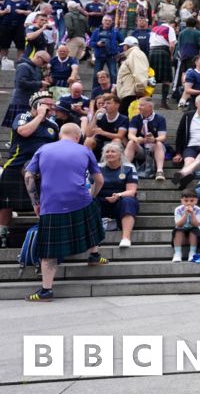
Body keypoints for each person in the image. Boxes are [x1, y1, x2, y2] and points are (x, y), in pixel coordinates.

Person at [23, 123, 107, 301]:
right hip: (80, 200)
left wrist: (35, 203)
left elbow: (28, 176)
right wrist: (91, 195)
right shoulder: (85, 150)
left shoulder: (44, 149)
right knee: (93, 215)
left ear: (60, 135)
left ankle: (46, 290)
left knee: (49, 251)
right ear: (78, 137)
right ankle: (94, 254)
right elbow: (99, 180)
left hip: (51, 204)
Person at [0, 92, 59, 247]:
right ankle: (2, 233)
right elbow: (24, 132)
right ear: (37, 105)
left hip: (43, 168)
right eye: (47, 104)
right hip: (16, 165)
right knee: (6, 203)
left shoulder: (53, 125)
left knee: (45, 201)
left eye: (52, 105)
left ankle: (46, 232)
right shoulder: (23, 116)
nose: (51, 107)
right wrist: (39, 117)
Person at [96, 142, 140, 248]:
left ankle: (125, 238)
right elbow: (91, 187)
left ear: (120, 154)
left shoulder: (129, 168)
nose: (109, 154)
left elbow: (132, 190)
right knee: (90, 202)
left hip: (120, 200)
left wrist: (118, 195)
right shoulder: (98, 167)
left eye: (113, 151)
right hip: (101, 200)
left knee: (129, 200)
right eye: (107, 151)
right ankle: (94, 238)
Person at [3, 50, 49, 129]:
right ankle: (13, 142)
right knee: (17, 127)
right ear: (38, 57)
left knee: (28, 127)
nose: (44, 65)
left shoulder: (37, 69)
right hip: (21, 101)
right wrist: (40, 83)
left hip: (30, 101)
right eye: (44, 62)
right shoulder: (23, 66)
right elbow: (20, 83)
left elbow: (37, 81)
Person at [125, 98, 168, 180]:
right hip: (141, 148)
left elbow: (163, 137)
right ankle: (124, 168)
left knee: (158, 143)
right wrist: (136, 139)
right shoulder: (135, 118)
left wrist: (154, 140)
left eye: (141, 105)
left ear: (150, 107)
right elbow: (130, 134)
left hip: (154, 148)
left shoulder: (160, 118)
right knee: (131, 142)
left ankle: (159, 171)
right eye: (139, 105)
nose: (139, 107)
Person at [84, 94, 129, 158]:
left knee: (117, 141)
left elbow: (120, 136)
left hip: (114, 143)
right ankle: (85, 162)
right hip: (100, 142)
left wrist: (103, 133)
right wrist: (95, 117)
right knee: (89, 140)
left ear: (117, 105)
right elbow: (88, 134)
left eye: (108, 103)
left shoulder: (123, 118)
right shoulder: (101, 116)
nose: (105, 106)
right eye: (104, 103)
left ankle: (112, 164)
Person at [115, 36, 151, 116]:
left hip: (132, 94)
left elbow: (139, 73)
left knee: (123, 120)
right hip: (129, 93)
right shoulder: (133, 54)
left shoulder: (135, 54)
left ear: (127, 46)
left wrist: (140, 90)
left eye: (124, 45)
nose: (123, 48)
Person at [171, 189, 200, 262]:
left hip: (194, 233)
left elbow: (196, 224)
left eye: (192, 201)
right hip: (182, 234)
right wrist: (185, 214)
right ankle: (177, 253)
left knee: (194, 231)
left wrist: (192, 213)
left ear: (196, 201)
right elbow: (178, 224)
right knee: (177, 230)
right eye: (186, 201)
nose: (189, 203)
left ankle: (192, 252)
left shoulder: (198, 210)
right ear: (182, 201)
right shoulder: (178, 209)